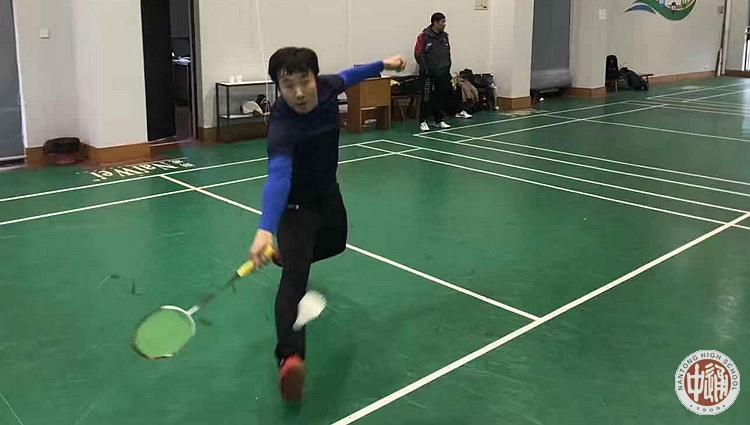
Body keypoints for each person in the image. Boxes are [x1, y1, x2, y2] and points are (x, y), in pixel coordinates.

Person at [247, 47, 406, 402]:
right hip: (295, 209)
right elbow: (279, 175)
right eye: (288, 86)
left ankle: (287, 255)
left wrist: (383, 64)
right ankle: (290, 358)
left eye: (304, 81)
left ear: (315, 78)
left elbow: (350, 75)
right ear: (278, 88)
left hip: (328, 194)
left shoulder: (329, 87)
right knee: (295, 281)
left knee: (336, 244)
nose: (299, 92)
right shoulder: (282, 125)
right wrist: (265, 228)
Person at [414, 12, 469, 131]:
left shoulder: (444, 37)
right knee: (427, 97)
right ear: (435, 22)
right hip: (428, 74)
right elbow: (418, 54)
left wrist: (447, 66)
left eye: (445, 21)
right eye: (442, 22)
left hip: (442, 72)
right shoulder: (424, 36)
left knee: (441, 96)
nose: (444, 24)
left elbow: (447, 53)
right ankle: (423, 120)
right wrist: (425, 68)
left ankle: (438, 120)